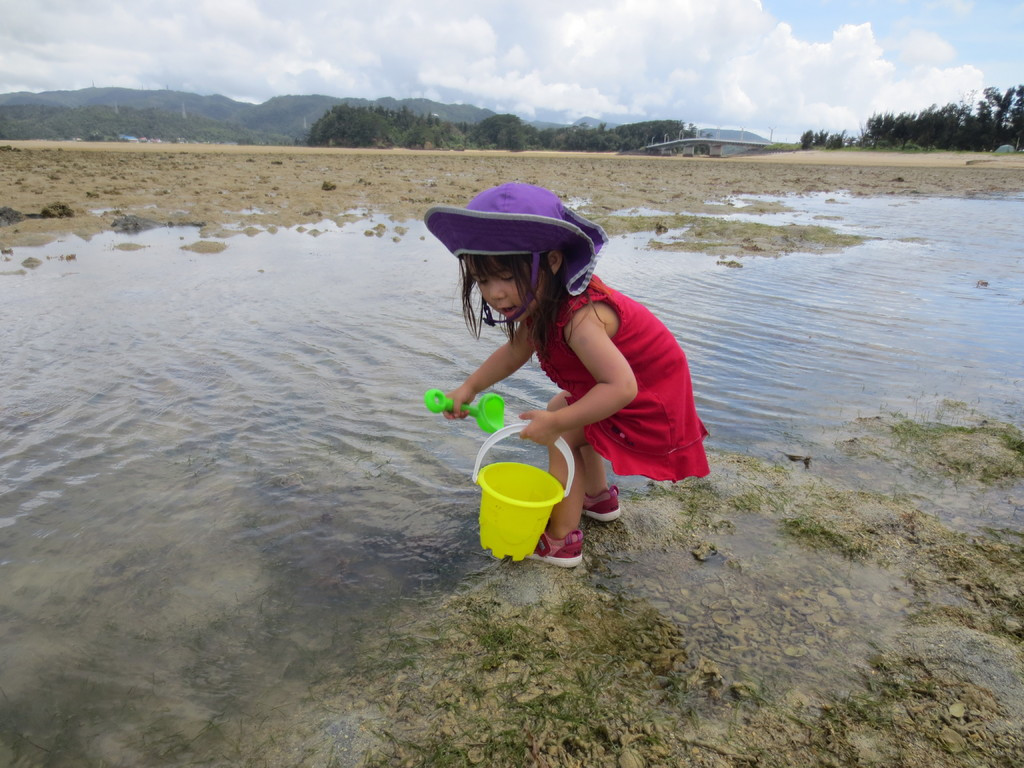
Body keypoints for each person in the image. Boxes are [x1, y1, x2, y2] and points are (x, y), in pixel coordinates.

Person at [425, 182, 709, 567]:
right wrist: (469, 387)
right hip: (633, 388)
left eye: (506, 276)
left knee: (562, 434)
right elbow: (515, 351)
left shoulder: (580, 318)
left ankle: (561, 540)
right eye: (482, 279)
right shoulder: (545, 302)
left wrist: (557, 424)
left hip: (649, 401)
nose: (494, 293)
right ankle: (598, 497)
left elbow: (623, 387)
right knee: (562, 406)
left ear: (553, 261)